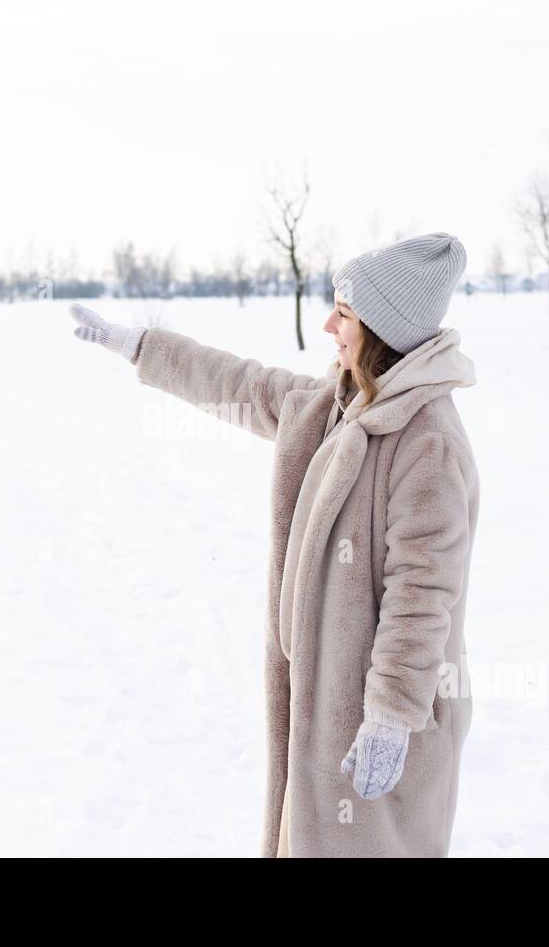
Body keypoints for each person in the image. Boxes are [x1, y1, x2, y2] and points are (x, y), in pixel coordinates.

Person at [70, 232, 480, 857]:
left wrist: (392, 716)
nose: (327, 324)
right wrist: (140, 349)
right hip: (321, 712)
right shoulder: (336, 405)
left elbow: (422, 596)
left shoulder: (428, 443)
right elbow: (242, 383)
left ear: (383, 328)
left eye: (343, 312)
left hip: (381, 723)